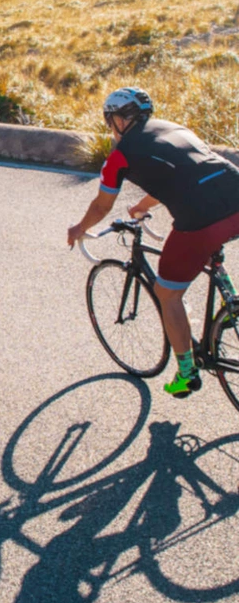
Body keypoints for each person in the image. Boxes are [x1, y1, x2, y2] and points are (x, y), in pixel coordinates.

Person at [67, 87, 239, 398]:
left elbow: (102, 206)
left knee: (167, 293)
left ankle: (187, 373)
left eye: (111, 121)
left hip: (200, 217)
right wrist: (144, 205)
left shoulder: (120, 155)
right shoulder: (175, 128)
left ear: (119, 120)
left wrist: (79, 227)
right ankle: (232, 308)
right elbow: (182, 172)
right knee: (215, 244)